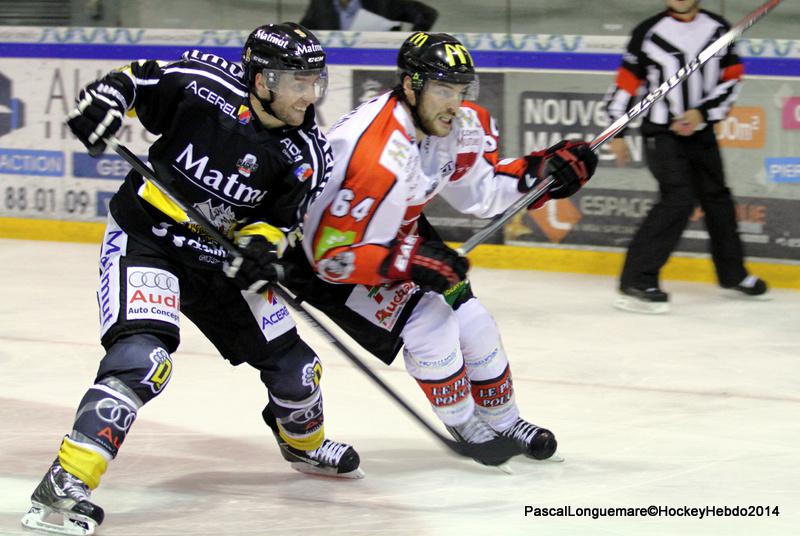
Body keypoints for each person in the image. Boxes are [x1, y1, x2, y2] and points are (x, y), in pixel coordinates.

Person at [21, 22, 362, 536]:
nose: (309, 95)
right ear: (261, 80)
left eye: (315, 81)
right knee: (143, 361)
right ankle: (65, 482)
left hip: (217, 260)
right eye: (297, 82)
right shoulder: (204, 84)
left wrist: (260, 250)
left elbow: (278, 221)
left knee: (298, 372)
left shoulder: (307, 153)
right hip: (148, 238)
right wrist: (105, 101)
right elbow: (135, 80)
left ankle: (304, 446)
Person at [284, 31, 597, 465]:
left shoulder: (457, 125)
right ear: (410, 86)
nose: (455, 103)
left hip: (400, 235)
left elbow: (481, 194)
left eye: (461, 90)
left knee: (475, 322)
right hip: (331, 255)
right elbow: (331, 256)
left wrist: (541, 174)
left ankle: (505, 420)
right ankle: (465, 423)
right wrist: (409, 261)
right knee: (431, 325)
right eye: (443, 90)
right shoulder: (373, 151)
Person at [605, 0, 768, 314]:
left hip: (700, 131)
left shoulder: (718, 30)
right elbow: (626, 83)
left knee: (717, 198)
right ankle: (636, 281)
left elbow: (732, 78)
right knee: (678, 198)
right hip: (661, 132)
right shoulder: (648, 32)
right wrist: (617, 130)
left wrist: (702, 113)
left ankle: (733, 275)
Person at [300, 0, 438, 32]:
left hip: (380, 67)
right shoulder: (321, 3)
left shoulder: (384, 3)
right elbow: (303, 31)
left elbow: (427, 14)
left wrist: (409, 43)